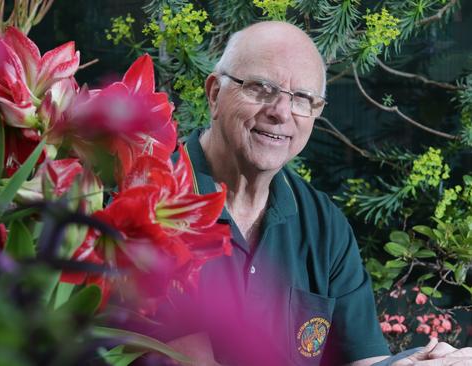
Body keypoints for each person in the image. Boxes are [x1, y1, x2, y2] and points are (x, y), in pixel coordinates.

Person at [161, 21, 472, 366]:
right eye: (262, 88)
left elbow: (363, 359)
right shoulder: (151, 202)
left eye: (303, 99)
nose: (280, 112)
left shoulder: (324, 226)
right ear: (215, 94)